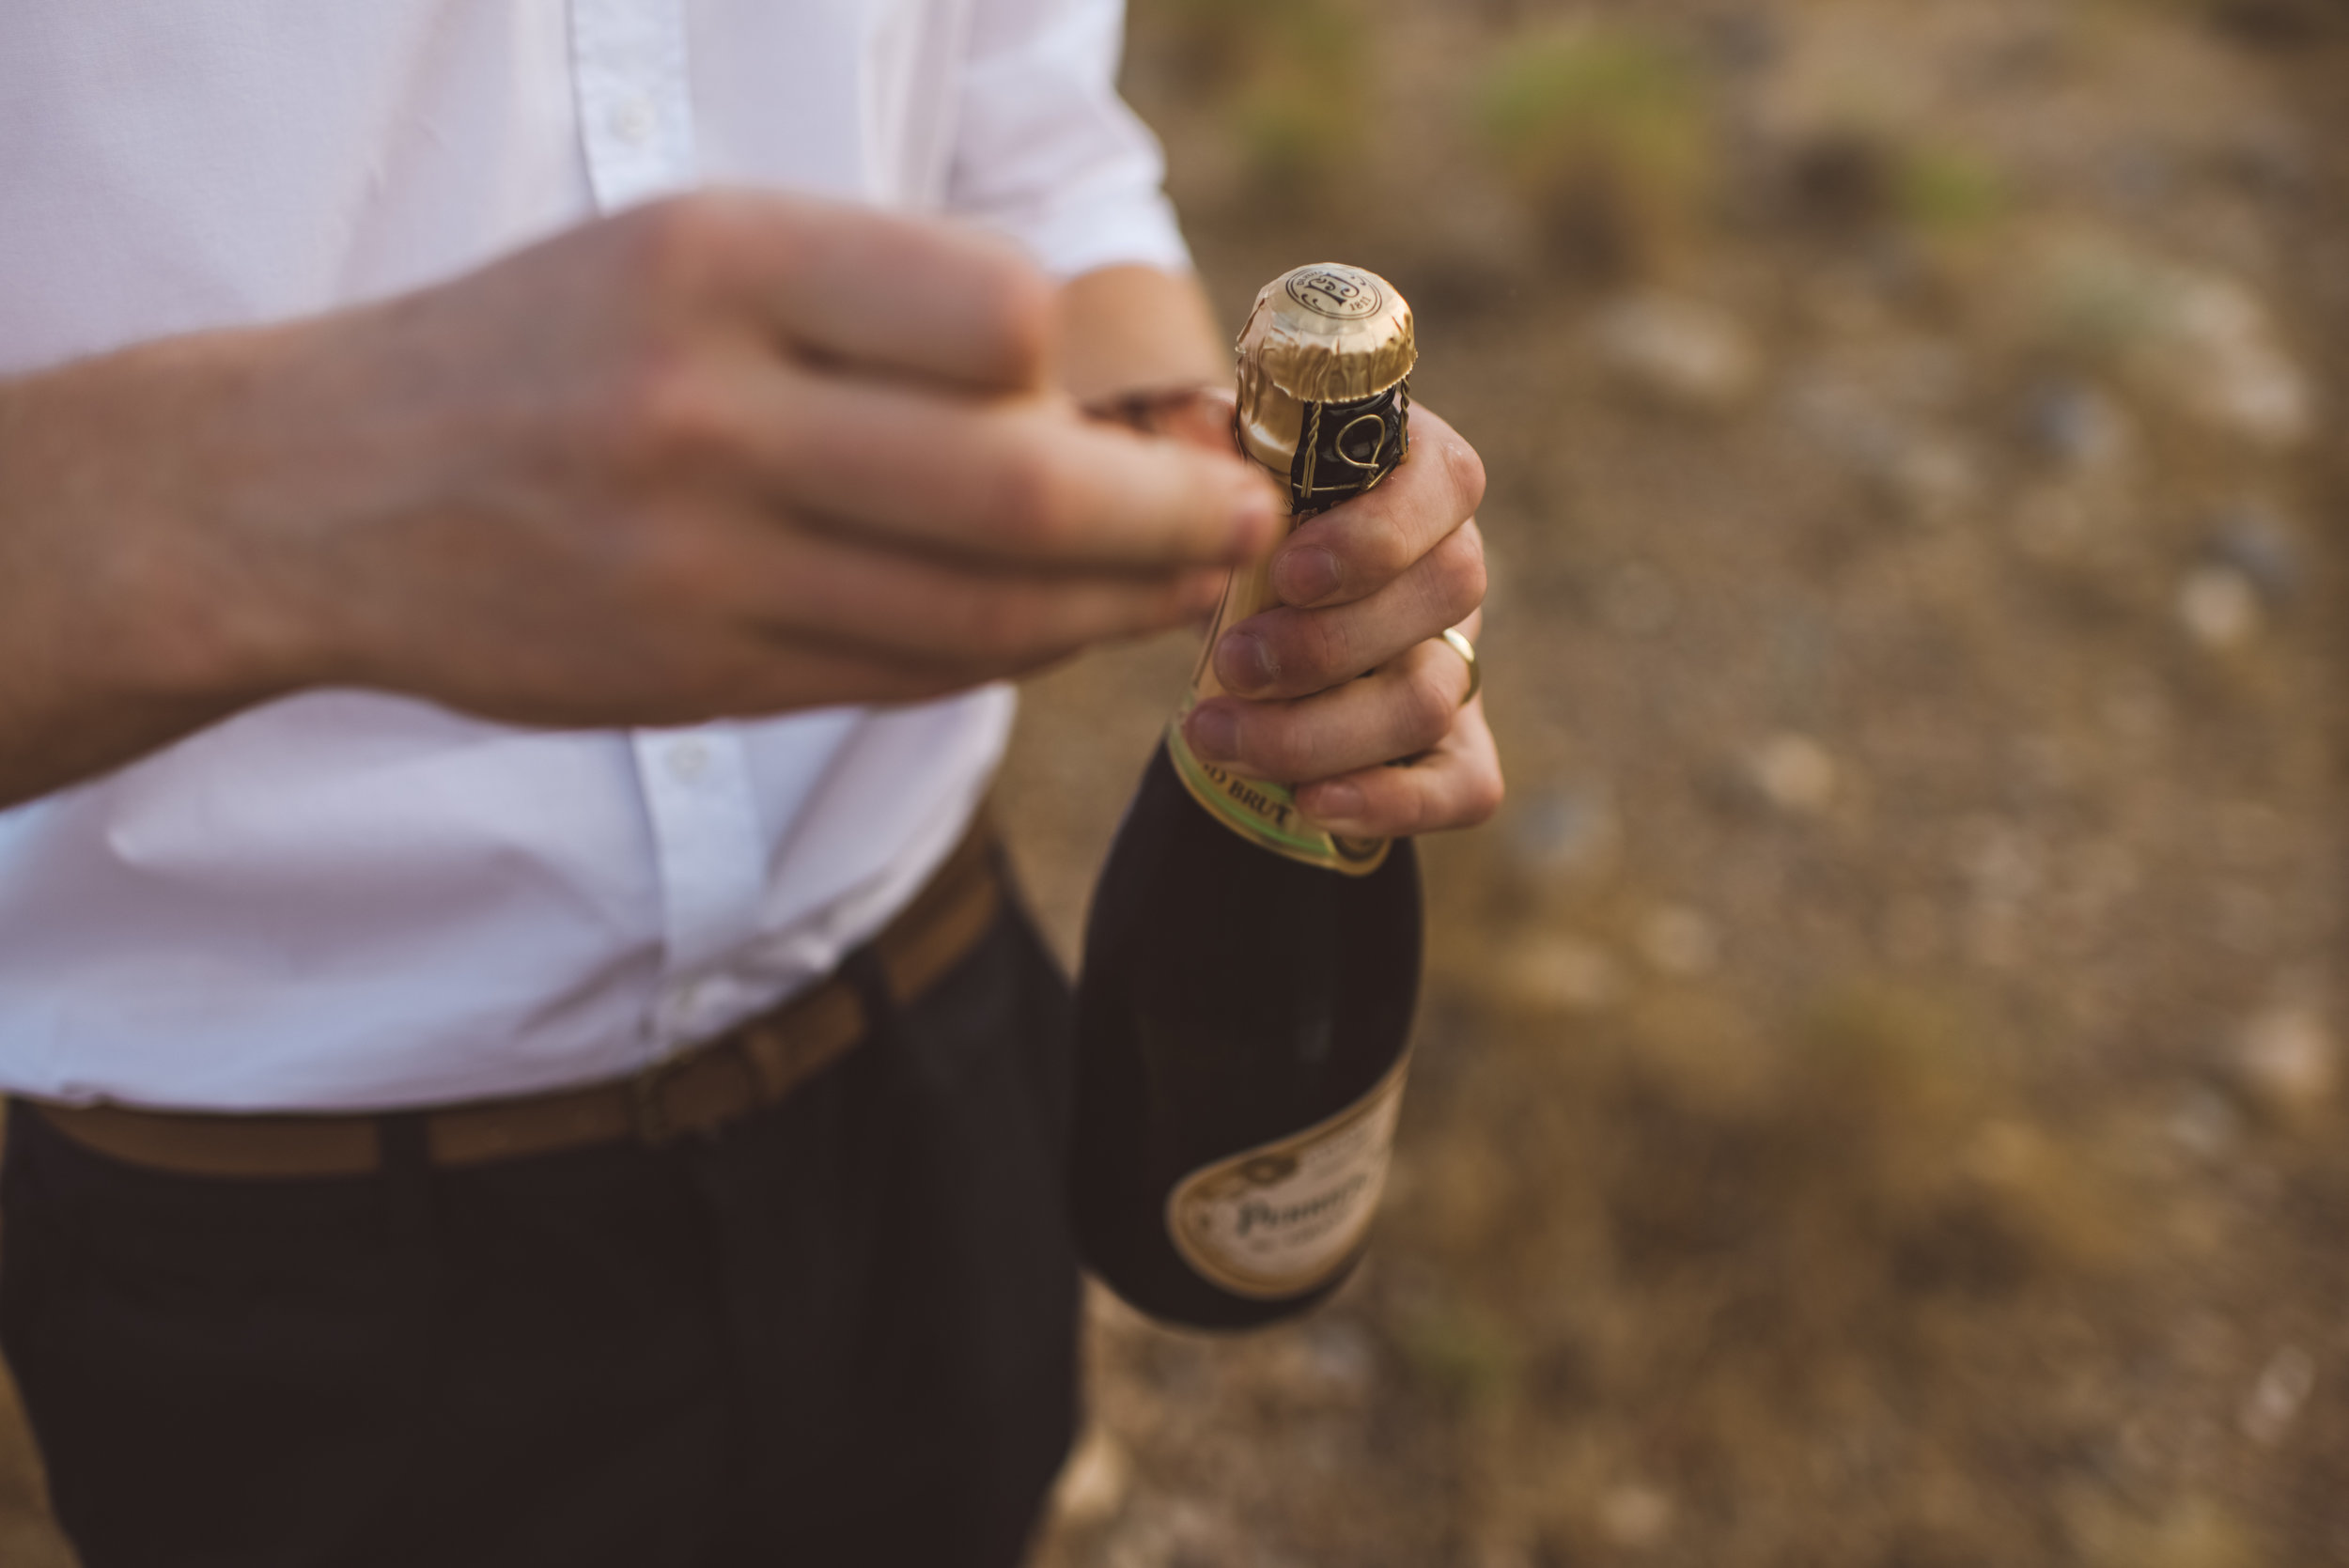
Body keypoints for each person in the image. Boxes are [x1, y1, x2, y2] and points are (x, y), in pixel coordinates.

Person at [0, 2, 1501, 1564]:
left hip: (925, 1041)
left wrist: (1266, 517)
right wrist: (263, 496)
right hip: (270, 1247)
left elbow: (1024, 140)